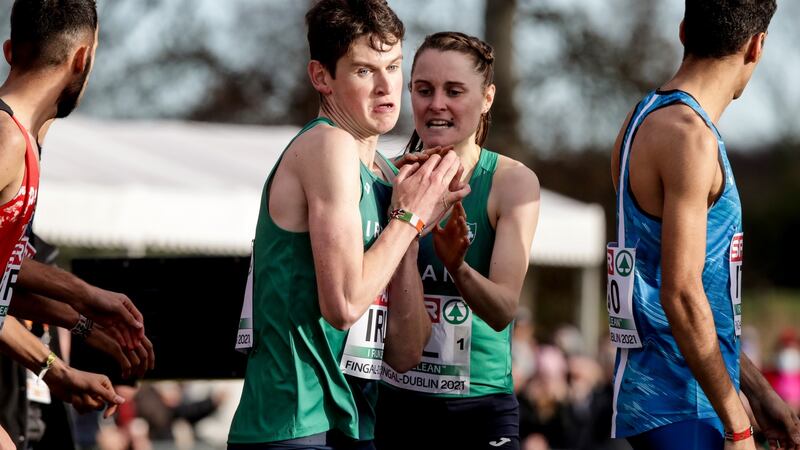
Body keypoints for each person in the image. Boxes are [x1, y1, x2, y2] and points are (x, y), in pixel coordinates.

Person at [226, 2, 469, 449]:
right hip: (294, 421)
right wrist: (409, 217)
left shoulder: (381, 173)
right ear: (322, 77)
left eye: (394, 66)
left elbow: (405, 353)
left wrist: (409, 237)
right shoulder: (328, 144)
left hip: (353, 422)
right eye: (363, 70)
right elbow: (342, 303)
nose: (385, 86)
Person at [608, 1, 800, 449]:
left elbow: (685, 298)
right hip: (683, 404)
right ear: (758, 46)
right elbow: (679, 294)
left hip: (663, 400)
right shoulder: (687, 136)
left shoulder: (641, 120)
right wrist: (738, 423)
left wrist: (757, 389)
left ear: (682, 31)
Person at [376, 32, 540, 450]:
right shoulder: (382, 179)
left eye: (454, 91)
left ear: (487, 98)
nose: (437, 105)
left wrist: (458, 267)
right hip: (394, 400)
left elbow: (503, 309)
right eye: (424, 90)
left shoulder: (510, 182)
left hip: (480, 407)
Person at [0, 0, 155, 443]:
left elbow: (2, 288)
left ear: (11, 50)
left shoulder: (22, 143)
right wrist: (86, 295)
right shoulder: (6, 138)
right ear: (83, 58)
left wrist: (59, 368)